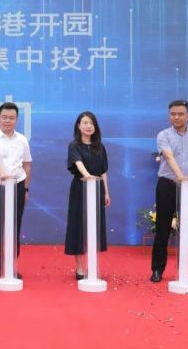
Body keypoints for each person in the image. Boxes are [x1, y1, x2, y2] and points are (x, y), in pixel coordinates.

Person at [150, 99, 188, 283]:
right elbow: (168, 156)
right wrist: (180, 176)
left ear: (187, 116)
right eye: (173, 114)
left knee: (186, 230)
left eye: (180, 114)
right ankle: (157, 270)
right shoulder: (163, 135)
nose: (176, 117)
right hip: (167, 185)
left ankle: (184, 272)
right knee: (163, 229)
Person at [0, 101, 32, 279]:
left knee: (14, 226)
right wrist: (4, 175)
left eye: (11, 118)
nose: (8, 121)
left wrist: (25, 189)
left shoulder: (22, 139)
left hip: (17, 187)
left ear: (17, 119)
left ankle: (11, 265)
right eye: (4, 117)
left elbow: (27, 164)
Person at [64, 111, 111, 280]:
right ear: (78, 126)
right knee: (78, 226)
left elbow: (103, 171)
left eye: (91, 123)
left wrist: (106, 191)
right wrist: (88, 177)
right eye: (85, 123)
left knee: (94, 226)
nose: (88, 126)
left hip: (97, 189)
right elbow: (78, 163)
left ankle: (93, 264)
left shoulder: (100, 146)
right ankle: (79, 266)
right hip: (80, 188)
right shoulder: (74, 145)